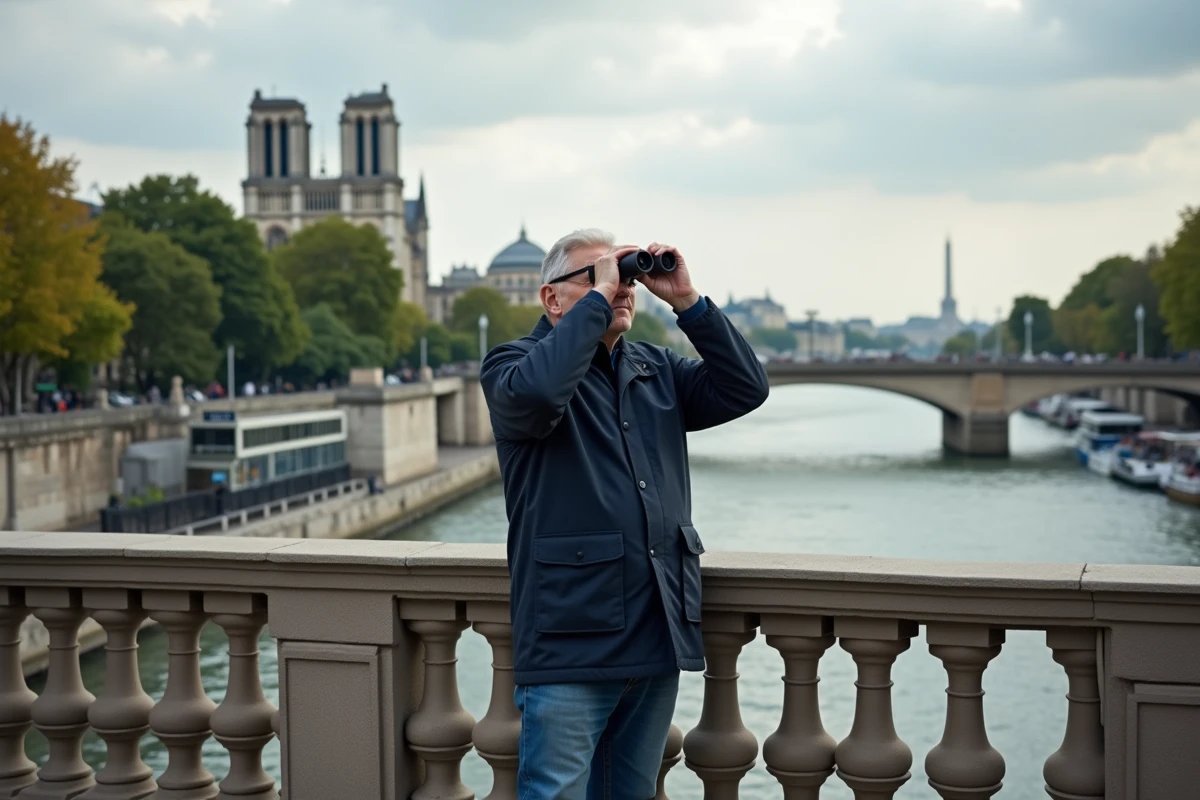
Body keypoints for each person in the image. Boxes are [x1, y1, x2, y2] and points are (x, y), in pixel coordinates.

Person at [480, 229, 769, 799]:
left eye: (624, 278)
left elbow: (745, 388)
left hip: (656, 633)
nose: (619, 289)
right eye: (595, 276)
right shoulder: (513, 366)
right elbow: (537, 400)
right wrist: (598, 302)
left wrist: (687, 302)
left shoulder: (655, 370)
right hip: (570, 642)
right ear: (551, 299)